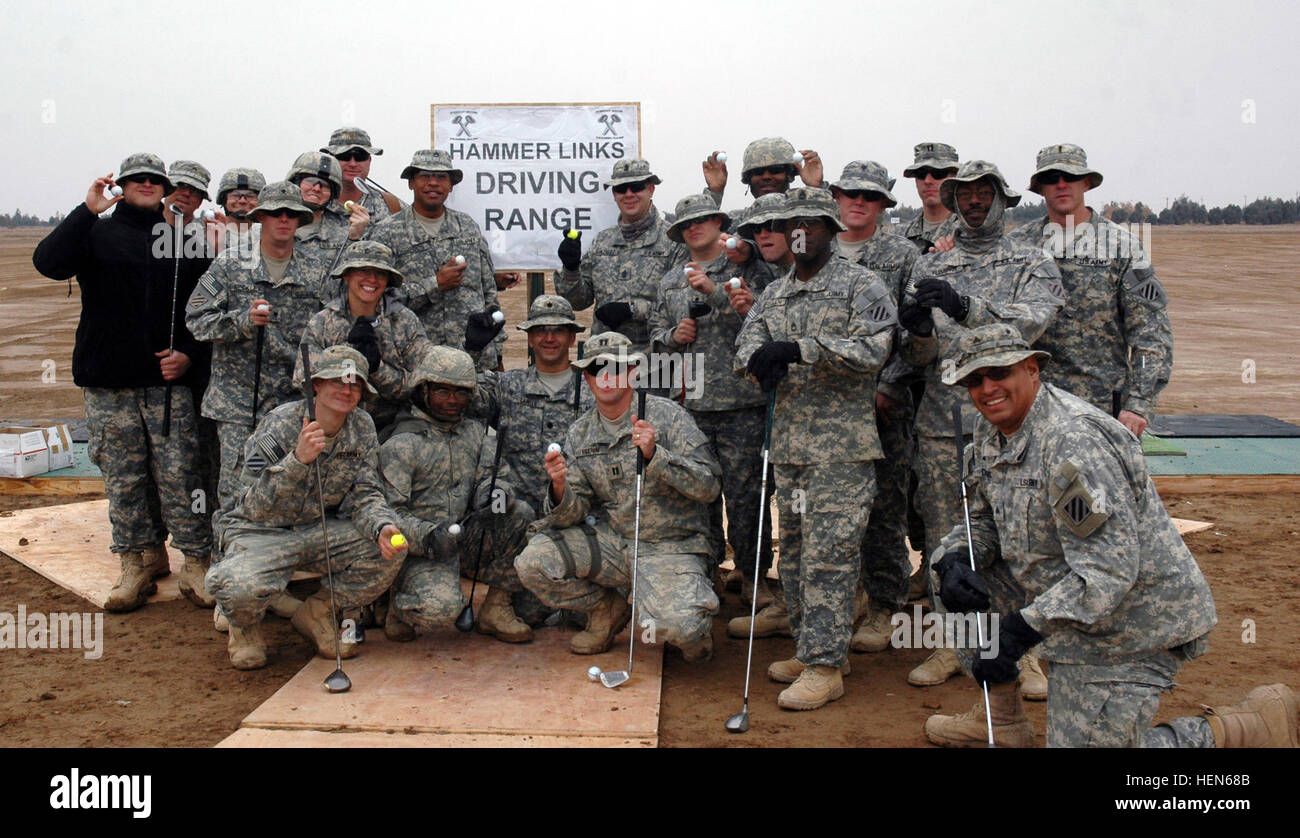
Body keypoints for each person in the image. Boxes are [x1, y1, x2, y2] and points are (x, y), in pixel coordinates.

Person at [922, 323, 1296, 748]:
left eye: (999, 373)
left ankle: (1238, 731)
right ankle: (1001, 720)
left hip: (1130, 624)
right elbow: (985, 522)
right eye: (974, 380)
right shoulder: (993, 430)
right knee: (950, 568)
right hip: (1070, 603)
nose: (987, 388)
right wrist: (954, 559)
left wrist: (1020, 632)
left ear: (1031, 370)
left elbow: (1108, 571)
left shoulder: (1073, 443)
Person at [896, 160, 1064, 692]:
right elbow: (919, 355)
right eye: (962, 194)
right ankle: (952, 645)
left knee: (1023, 534)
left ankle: (1028, 650)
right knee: (949, 537)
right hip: (945, 424)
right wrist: (918, 328)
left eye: (981, 193)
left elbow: (1031, 324)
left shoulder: (1030, 260)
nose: (971, 202)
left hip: (1014, 424)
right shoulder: (934, 268)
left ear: (1001, 198)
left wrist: (966, 307)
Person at [734, 187, 897, 711]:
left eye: (811, 223)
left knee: (832, 555)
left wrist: (803, 349)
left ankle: (827, 666)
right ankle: (813, 650)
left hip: (842, 452)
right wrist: (758, 362)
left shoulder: (861, 285)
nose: (800, 233)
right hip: (789, 448)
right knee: (799, 556)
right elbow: (746, 345)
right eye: (791, 224)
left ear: (830, 229)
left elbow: (874, 349)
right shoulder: (775, 295)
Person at [32, 153, 215, 612]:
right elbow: (48, 263)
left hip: (166, 385)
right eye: (138, 179)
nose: (148, 185)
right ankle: (137, 561)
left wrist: (189, 355)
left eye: (156, 180)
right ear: (122, 185)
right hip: (109, 382)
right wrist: (86, 210)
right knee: (124, 478)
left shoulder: (182, 243)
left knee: (180, 476)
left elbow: (206, 311)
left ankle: (196, 561)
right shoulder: (95, 234)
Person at [514, 332, 722, 662]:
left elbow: (709, 487)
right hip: (614, 544)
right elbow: (572, 513)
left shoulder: (668, 417)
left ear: (633, 373)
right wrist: (558, 488)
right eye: (597, 369)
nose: (606, 377)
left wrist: (656, 456)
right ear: (587, 377)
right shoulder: (580, 433)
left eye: (616, 368)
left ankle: (686, 613)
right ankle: (605, 610)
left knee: (682, 632)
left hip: (669, 547)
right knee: (533, 563)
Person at [207, 345, 406, 669]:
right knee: (237, 587)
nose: (346, 390)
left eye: (354, 383)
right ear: (316, 385)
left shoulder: (362, 427)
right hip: (261, 532)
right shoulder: (280, 425)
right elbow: (248, 505)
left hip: (319, 529)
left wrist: (382, 526)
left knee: (393, 546)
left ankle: (318, 613)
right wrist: (297, 461)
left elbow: (365, 494)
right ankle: (244, 628)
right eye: (337, 381)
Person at [650, 194, 776, 606]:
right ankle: (707, 574)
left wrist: (716, 292)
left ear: (719, 221)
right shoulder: (670, 280)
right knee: (697, 496)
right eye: (687, 223)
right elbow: (654, 334)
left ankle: (753, 576)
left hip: (741, 400)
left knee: (745, 498)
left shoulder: (744, 269)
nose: (695, 227)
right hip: (690, 404)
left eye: (704, 219)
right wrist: (672, 336)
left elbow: (768, 319)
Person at [1009, 143, 1173, 438]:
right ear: (1040, 188)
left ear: (1086, 182)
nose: (1061, 184)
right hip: (1028, 403)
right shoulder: (1017, 246)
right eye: (1052, 177)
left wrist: (1139, 403)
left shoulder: (1122, 246)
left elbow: (1151, 332)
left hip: (1100, 409)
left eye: (1070, 177)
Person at [378, 347, 535, 642]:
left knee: (521, 515)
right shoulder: (401, 443)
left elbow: (499, 477)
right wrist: (428, 536)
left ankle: (496, 608)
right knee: (440, 611)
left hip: (467, 534)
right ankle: (397, 605)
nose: (452, 401)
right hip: (421, 548)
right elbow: (387, 514)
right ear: (423, 390)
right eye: (442, 391)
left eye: (461, 393)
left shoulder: (476, 432)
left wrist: (494, 496)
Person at [186, 181, 326, 511]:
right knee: (237, 491)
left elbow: (330, 329)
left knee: (289, 486)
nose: (283, 219)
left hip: (291, 403)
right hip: (238, 403)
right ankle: (229, 557)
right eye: (275, 213)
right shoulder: (230, 264)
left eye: (291, 214)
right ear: (260, 217)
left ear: (300, 220)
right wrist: (241, 322)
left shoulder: (317, 271)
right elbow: (196, 319)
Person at [828, 160, 921, 652]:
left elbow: (911, 330)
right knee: (835, 509)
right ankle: (850, 597)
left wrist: (889, 384)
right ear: (836, 197)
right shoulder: (818, 250)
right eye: (849, 194)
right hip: (827, 407)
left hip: (883, 404)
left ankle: (887, 604)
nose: (858, 202)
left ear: (884, 203)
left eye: (869, 196)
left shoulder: (902, 254)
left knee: (884, 505)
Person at [369, 149, 504, 370]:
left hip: (473, 358)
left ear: (451, 185)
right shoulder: (387, 232)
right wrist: (435, 285)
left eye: (441, 177)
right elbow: (380, 301)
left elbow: (488, 291)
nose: (433, 183)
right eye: (425, 176)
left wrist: (497, 352)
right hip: (416, 360)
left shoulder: (467, 226)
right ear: (411, 183)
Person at [553, 158, 684, 361]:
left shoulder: (674, 241)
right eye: (621, 189)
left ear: (650, 189)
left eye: (636, 187)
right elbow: (577, 301)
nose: (629, 194)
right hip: (604, 362)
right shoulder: (602, 242)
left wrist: (633, 310)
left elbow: (679, 308)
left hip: (656, 363)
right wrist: (571, 269)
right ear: (614, 195)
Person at [297, 240, 434, 432]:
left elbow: (419, 387)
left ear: (387, 280)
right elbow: (305, 383)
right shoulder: (322, 323)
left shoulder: (404, 321)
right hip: (335, 423)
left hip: (391, 426)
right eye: (364, 271)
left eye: (380, 273)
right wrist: (350, 354)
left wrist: (377, 367)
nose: (372, 279)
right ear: (347, 275)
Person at [286, 151, 370, 302]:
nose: (317, 189)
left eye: (325, 185)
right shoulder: (271, 226)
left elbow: (354, 282)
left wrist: (355, 238)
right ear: (295, 183)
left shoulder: (346, 232)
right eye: (311, 181)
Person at [322, 126, 403, 225]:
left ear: (369, 160)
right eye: (344, 156)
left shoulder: (392, 207)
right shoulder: (311, 204)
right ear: (331, 159)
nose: (353, 164)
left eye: (360, 156)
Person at [900, 143, 960, 253]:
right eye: (921, 174)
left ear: (955, 178)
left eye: (938, 173)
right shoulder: (898, 237)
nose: (928, 181)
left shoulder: (969, 235)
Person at [211, 167, 266, 257]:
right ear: (224, 199)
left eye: (250, 196)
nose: (242, 201)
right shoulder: (207, 233)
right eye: (235, 195)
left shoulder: (270, 236)